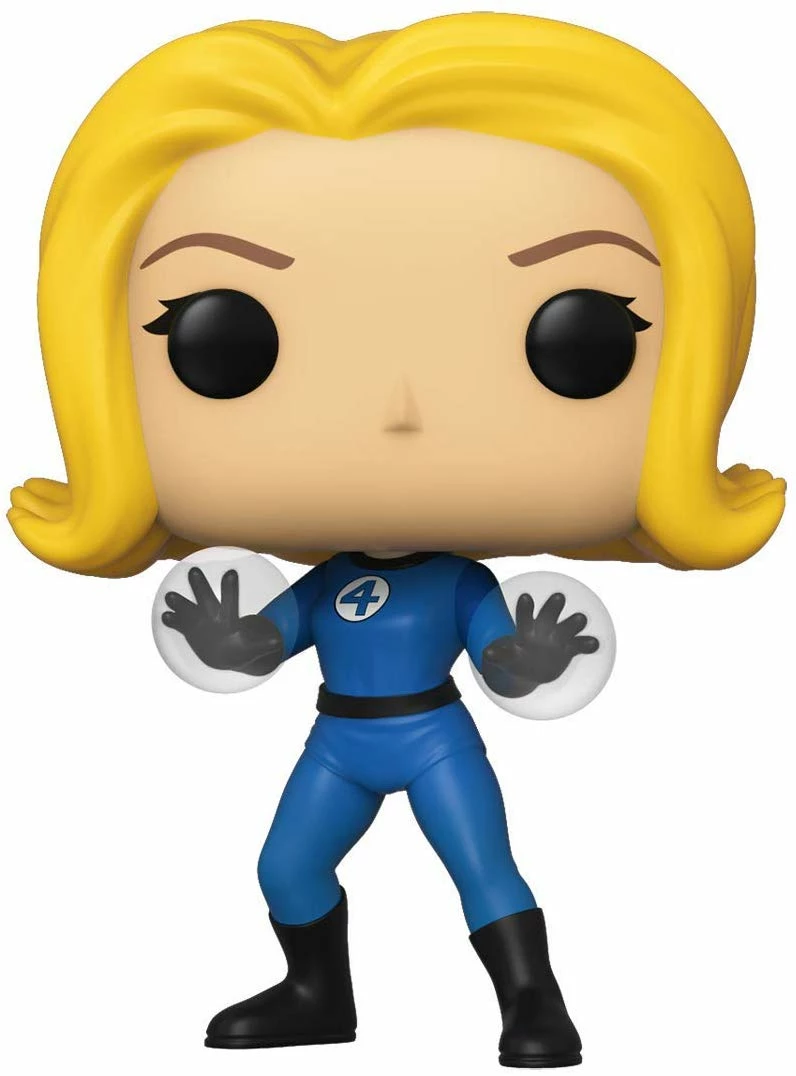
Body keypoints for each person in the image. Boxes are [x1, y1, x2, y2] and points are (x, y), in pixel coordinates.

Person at [8, 13, 785, 1069]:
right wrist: (230, 636)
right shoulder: (328, 581)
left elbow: (502, 653)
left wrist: (530, 655)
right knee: (284, 868)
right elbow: (274, 636)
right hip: (338, 737)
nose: (400, 409)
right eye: (223, 339)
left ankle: (533, 1004)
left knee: (482, 869)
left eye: (580, 336)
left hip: (433, 736)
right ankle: (315, 991)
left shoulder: (456, 581)